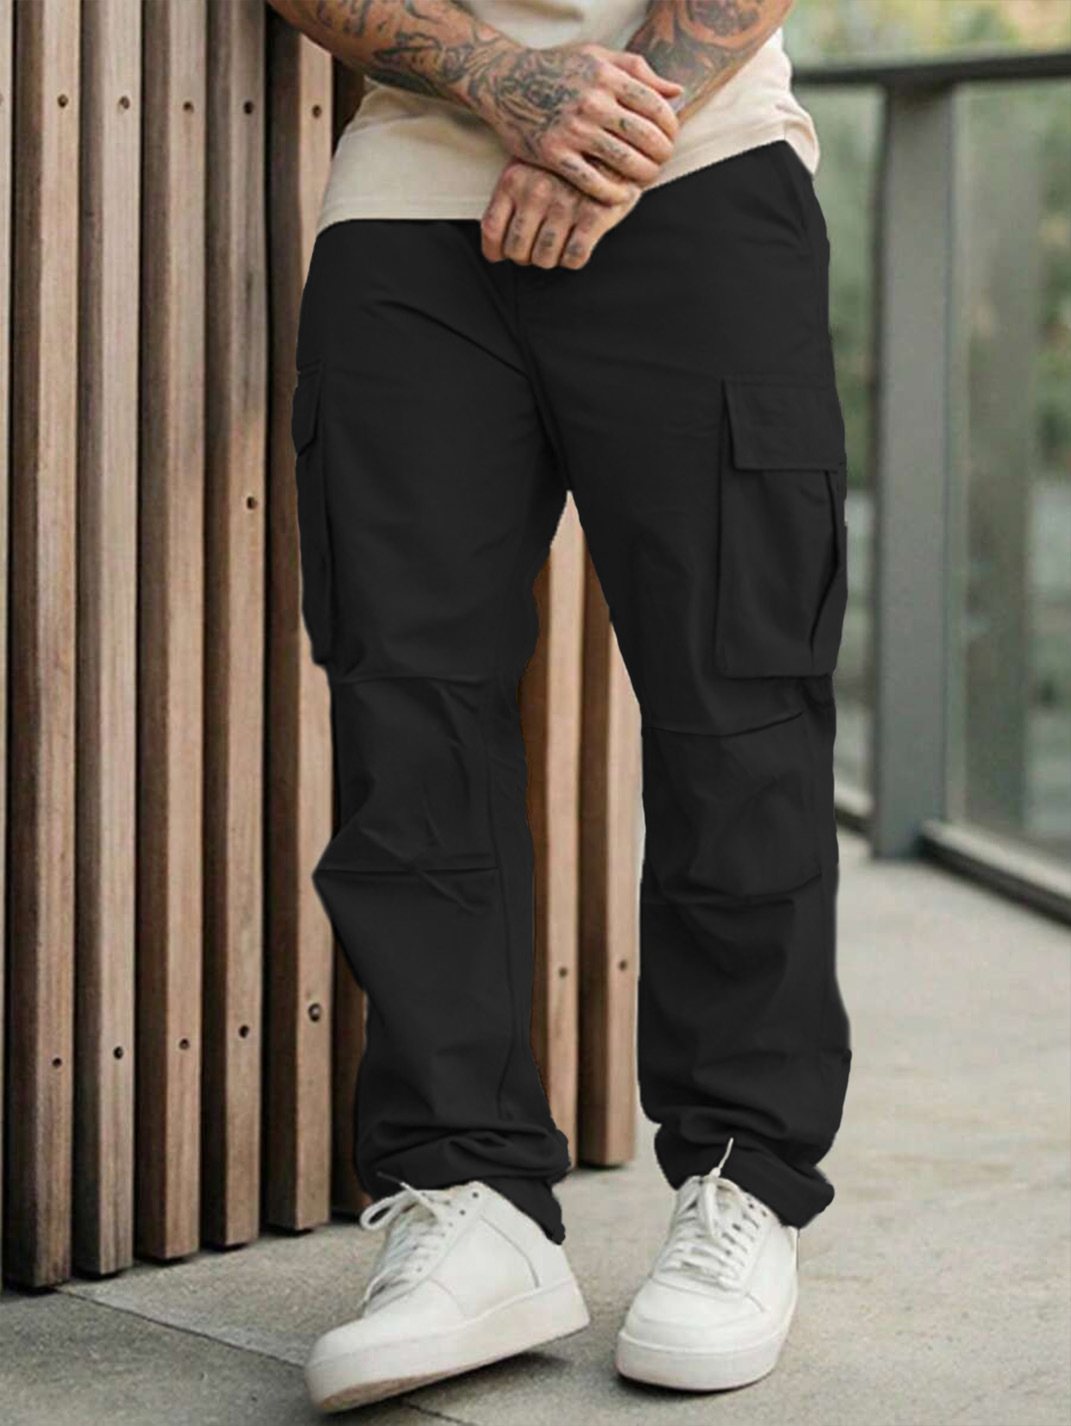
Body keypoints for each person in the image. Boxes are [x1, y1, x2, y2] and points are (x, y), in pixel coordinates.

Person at [271, 0, 853, 1412]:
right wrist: (509, 87)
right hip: (406, 208)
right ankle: (466, 1196)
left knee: (741, 710)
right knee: (408, 720)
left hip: (703, 173)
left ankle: (745, 1179)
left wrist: (598, 133)